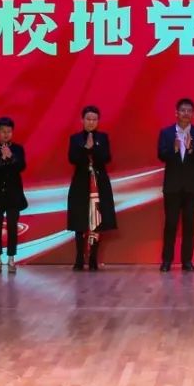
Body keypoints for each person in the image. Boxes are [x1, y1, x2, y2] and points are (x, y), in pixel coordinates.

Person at [157, 98, 194, 272]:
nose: (185, 113)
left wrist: (190, 149)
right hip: (172, 187)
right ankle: (167, 261)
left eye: (189, 111)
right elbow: (161, 155)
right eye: (182, 110)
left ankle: (187, 261)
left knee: (189, 225)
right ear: (176, 113)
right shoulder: (166, 133)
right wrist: (173, 149)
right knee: (170, 224)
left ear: (193, 114)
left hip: (191, 187)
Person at [67, 106, 117, 271]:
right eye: (88, 119)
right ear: (82, 120)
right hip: (81, 184)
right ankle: (79, 258)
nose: (91, 122)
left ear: (98, 121)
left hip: (98, 184)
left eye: (94, 119)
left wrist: (93, 148)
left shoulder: (103, 138)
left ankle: (93, 258)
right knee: (80, 220)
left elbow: (106, 158)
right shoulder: (75, 139)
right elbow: (72, 158)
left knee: (97, 219)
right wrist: (85, 149)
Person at [0, 116, 27, 274]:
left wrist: (11, 157)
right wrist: (2, 159)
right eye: (3, 131)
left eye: (9, 131)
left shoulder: (18, 149)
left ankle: (11, 260)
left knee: (12, 227)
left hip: (13, 196)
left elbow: (21, 166)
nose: (6, 134)